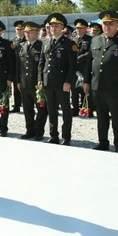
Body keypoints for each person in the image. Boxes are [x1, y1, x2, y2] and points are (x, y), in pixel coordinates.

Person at [83, 10, 118, 153]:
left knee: (117, 115)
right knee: (101, 115)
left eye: (110, 24)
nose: (107, 27)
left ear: (117, 25)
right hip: (97, 85)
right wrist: (86, 81)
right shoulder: (96, 40)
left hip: (115, 86)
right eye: (105, 24)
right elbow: (90, 62)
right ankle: (103, 142)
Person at [37, 13, 77, 145]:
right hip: (48, 82)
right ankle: (53, 135)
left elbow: (72, 66)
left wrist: (68, 82)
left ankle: (66, 136)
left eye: (57, 26)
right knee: (51, 110)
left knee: (66, 110)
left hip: (62, 83)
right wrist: (40, 79)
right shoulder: (46, 42)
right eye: (51, 26)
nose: (53, 28)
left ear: (62, 28)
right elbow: (41, 63)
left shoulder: (69, 44)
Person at [17, 20, 47, 140]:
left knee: (41, 108)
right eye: (26, 32)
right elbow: (18, 66)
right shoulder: (22, 46)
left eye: (30, 32)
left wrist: (41, 81)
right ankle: (30, 130)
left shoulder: (42, 46)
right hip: (25, 83)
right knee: (27, 109)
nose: (27, 34)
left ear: (37, 32)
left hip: (37, 83)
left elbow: (43, 65)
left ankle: (39, 132)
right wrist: (18, 81)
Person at [71, 18, 92, 116]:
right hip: (74, 69)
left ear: (85, 29)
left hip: (84, 68)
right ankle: (75, 109)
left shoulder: (89, 39)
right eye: (77, 28)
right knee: (74, 90)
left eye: (81, 28)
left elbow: (90, 52)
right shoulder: (73, 39)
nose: (79, 30)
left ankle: (87, 108)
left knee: (85, 89)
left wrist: (80, 58)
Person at [10, 20, 25, 113]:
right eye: (17, 29)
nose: (19, 31)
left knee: (25, 87)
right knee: (15, 88)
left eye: (21, 29)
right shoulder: (13, 41)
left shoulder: (27, 40)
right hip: (16, 68)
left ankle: (26, 103)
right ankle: (17, 105)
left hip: (24, 67)